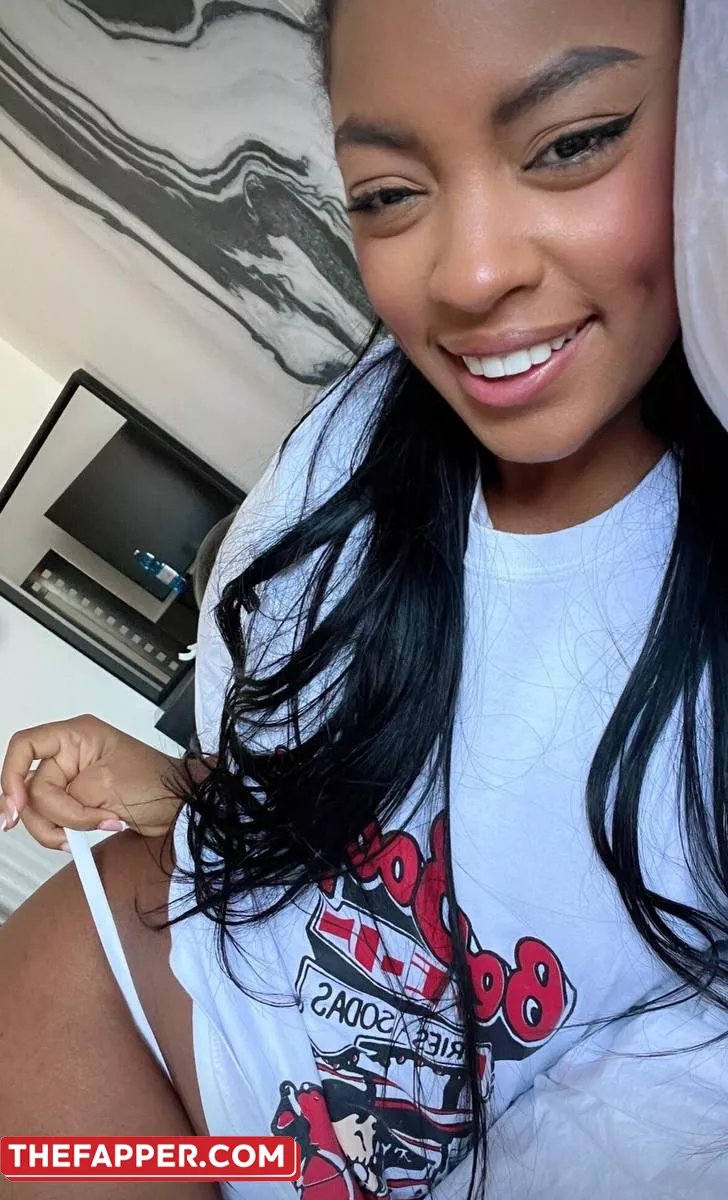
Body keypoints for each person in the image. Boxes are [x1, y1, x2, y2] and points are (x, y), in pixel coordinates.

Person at [1, 1, 727, 1197]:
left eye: (569, 143)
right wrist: (179, 795)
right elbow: (328, 839)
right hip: (143, 1003)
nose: (469, 273)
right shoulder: (353, 442)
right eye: (389, 192)